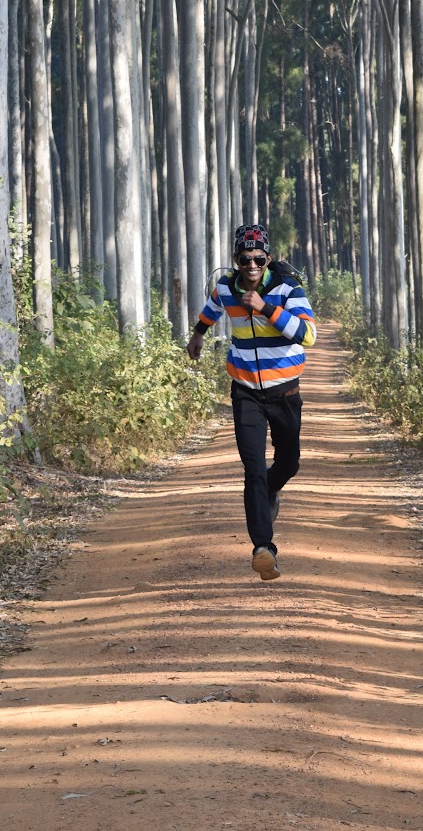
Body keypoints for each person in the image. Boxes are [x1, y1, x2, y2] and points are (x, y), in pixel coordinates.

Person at [186, 223, 317, 580]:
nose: (252, 265)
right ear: (236, 260)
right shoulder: (227, 287)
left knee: (288, 464)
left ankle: (270, 491)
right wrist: (198, 334)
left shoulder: (288, 289)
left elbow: (308, 335)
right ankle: (263, 548)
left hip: (285, 392)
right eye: (245, 259)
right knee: (253, 469)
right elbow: (212, 308)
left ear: (268, 259)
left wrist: (266, 308)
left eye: (259, 259)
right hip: (245, 391)